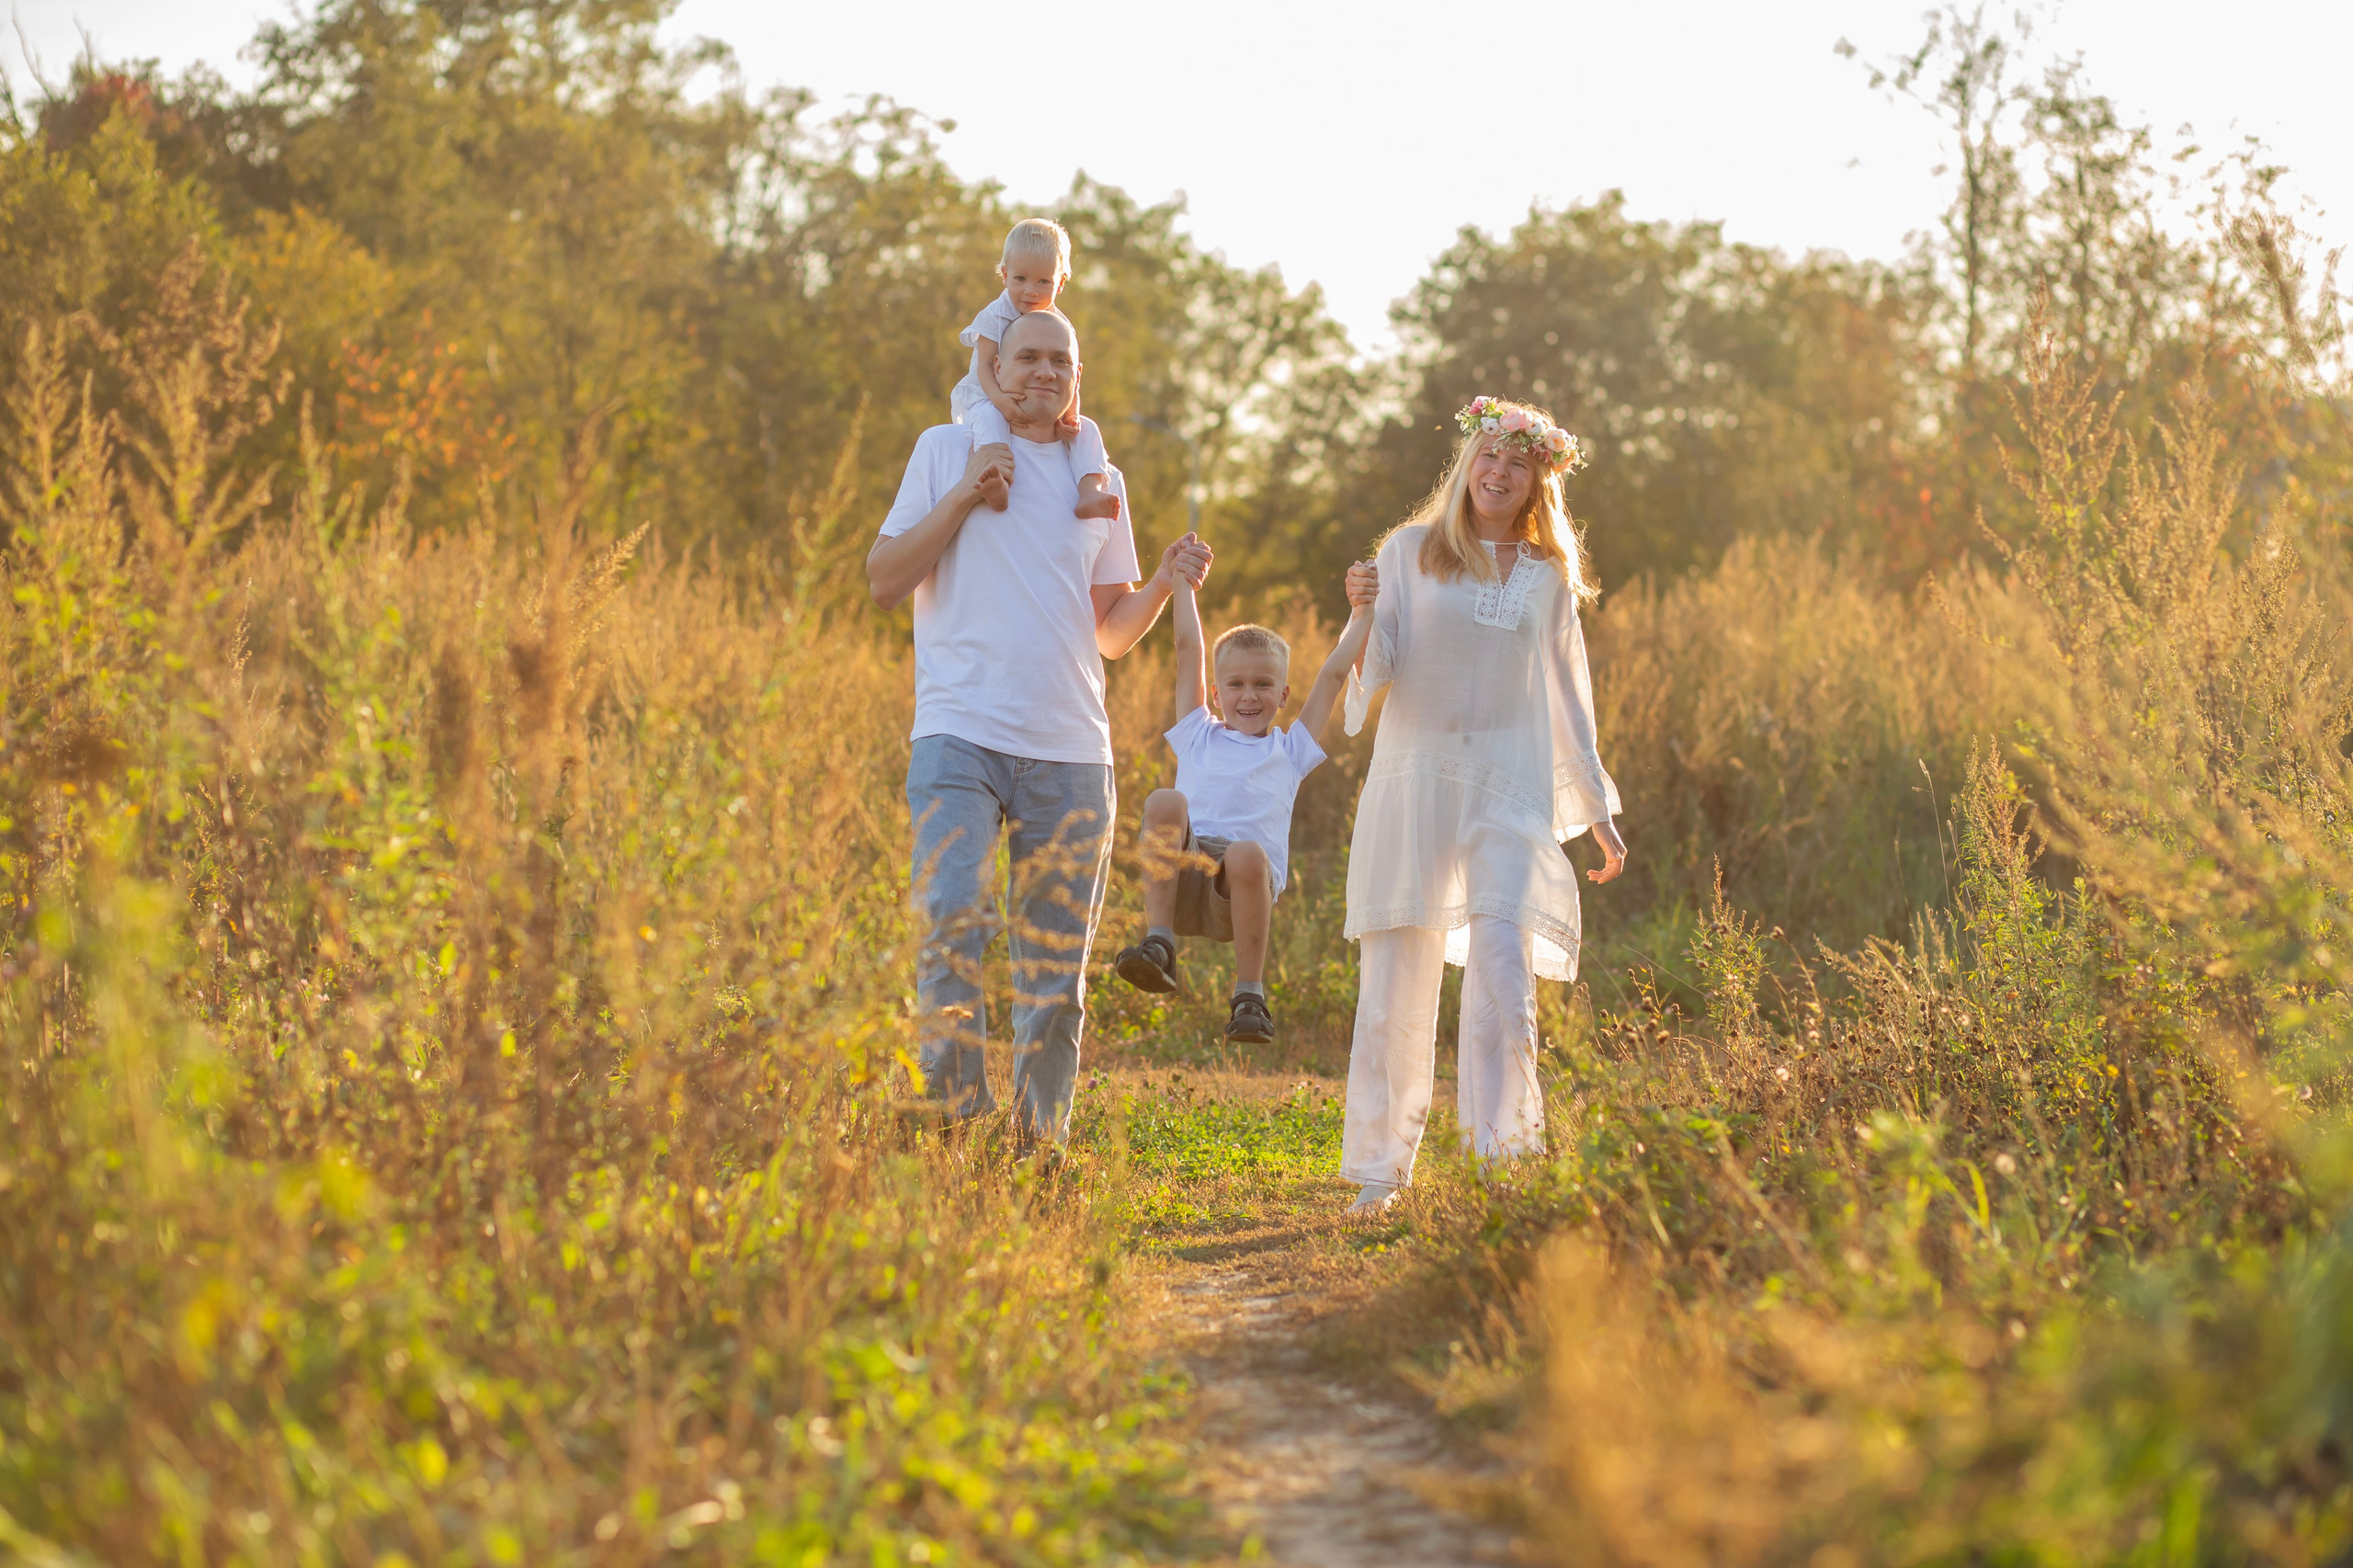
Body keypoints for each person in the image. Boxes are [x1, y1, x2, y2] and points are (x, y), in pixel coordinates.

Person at [869, 308, 1211, 1148]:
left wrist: (1163, 581)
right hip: (958, 734)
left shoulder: (1100, 483)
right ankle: (955, 1124)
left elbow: (1109, 635)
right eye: (1029, 357)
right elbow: (884, 580)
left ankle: (1036, 1147)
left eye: (1062, 362)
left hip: (1069, 751)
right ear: (996, 365)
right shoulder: (943, 448)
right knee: (950, 925)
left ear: (1077, 382)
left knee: (1055, 972)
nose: (1045, 373)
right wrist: (965, 493)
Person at [1337, 396, 1628, 1216]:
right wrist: (1362, 613)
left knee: (1503, 974)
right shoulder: (1407, 552)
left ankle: (1502, 1166)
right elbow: (1381, 665)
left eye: (1518, 462)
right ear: (1466, 466)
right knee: (1399, 973)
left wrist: (1598, 814)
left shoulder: (1546, 578)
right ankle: (1378, 1172)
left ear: (1539, 479)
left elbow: (1571, 698)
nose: (1498, 473)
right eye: (1488, 458)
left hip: (1507, 792)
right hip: (1415, 783)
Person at [1109, 558, 1381, 1044]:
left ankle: (1249, 997)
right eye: (1235, 684)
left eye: (1263, 684)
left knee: (1245, 851)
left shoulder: (1290, 749)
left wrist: (1363, 612)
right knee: (1164, 800)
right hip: (1185, 877)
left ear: (1283, 695)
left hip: (1239, 891)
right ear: (1215, 693)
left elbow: (1335, 675)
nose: (1248, 695)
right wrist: (1182, 583)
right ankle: (1159, 943)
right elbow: (1188, 647)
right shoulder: (1198, 734)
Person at [952, 217, 1120, 522]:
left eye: (1043, 282)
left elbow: (1071, 379)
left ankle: (1090, 491)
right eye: (1020, 279)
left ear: (1061, 282)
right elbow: (985, 367)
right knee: (989, 418)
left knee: (1087, 430)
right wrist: (1001, 400)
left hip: (1042, 406)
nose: (1031, 291)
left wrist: (1070, 413)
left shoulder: (1060, 325)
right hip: (989, 393)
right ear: (1004, 275)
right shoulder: (994, 315)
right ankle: (997, 480)